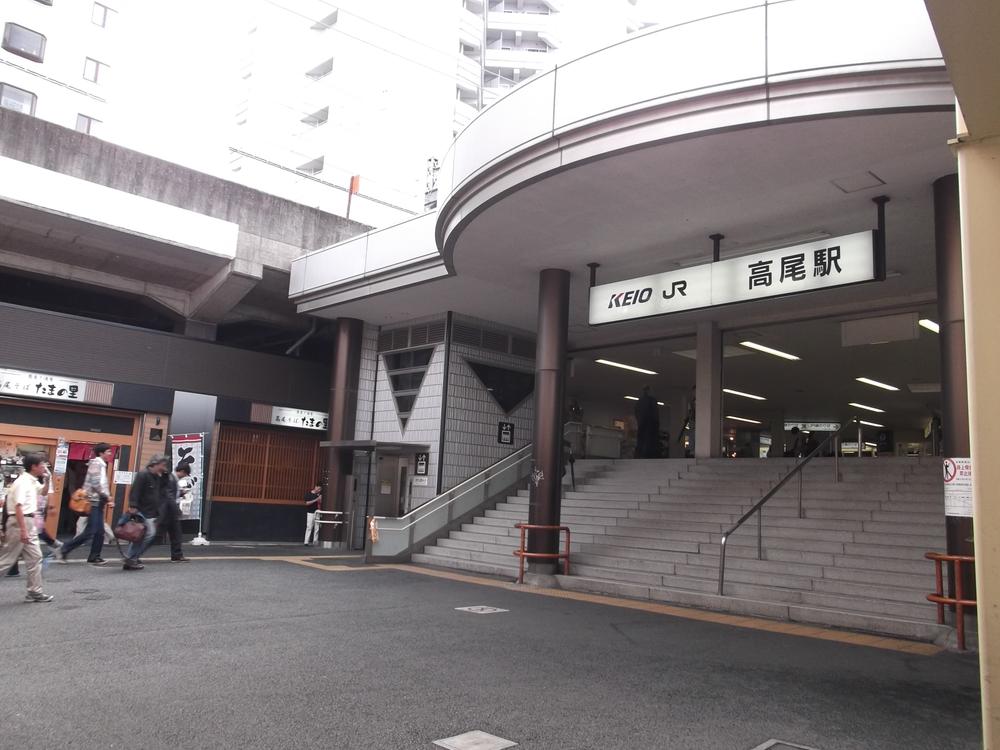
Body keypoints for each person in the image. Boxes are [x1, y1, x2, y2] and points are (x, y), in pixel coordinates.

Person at [0, 453, 54, 602]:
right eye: (42, 464)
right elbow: (18, 506)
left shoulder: (31, 481)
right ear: (33, 467)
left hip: (27, 522)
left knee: (35, 557)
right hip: (20, 522)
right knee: (7, 560)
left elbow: (42, 492)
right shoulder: (23, 482)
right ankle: (34, 591)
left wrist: (48, 479)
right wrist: (23, 530)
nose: (45, 466)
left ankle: (34, 591)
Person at [57, 443, 114, 566]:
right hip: (92, 501)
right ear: (101, 453)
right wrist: (107, 497)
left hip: (97, 501)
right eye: (108, 451)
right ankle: (65, 549)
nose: (110, 454)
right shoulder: (96, 464)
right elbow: (95, 483)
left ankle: (94, 556)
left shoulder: (101, 465)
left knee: (97, 531)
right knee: (94, 531)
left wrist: (106, 498)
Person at [122, 455, 170, 571]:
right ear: (155, 464)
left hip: (151, 511)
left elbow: (164, 487)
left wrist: (165, 474)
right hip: (142, 510)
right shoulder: (143, 474)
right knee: (147, 534)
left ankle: (132, 558)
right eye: (162, 465)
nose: (164, 467)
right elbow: (135, 490)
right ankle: (131, 558)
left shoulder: (157, 477)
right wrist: (133, 505)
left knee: (141, 536)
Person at [160, 464, 190, 563]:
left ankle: (177, 555)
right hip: (168, 510)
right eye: (185, 474)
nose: (184, 476)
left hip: (170, 510)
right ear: (181, 471)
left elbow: (172, 494)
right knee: (154, 535)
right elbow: (169, 496)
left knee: (176, 533)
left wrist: (181, 493)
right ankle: (135, 554)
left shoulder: (174, 479)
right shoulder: (171, 478)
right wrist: (176, 509)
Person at [633, 385, 660, 459]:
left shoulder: (640, 401)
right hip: (650, 423)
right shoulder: (651, 400)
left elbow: (637, 412)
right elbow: (655, 413)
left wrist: (639, 420)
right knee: (649, 440)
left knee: (642, 439)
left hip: (643, 423)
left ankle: (641, 454)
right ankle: (647, 454)